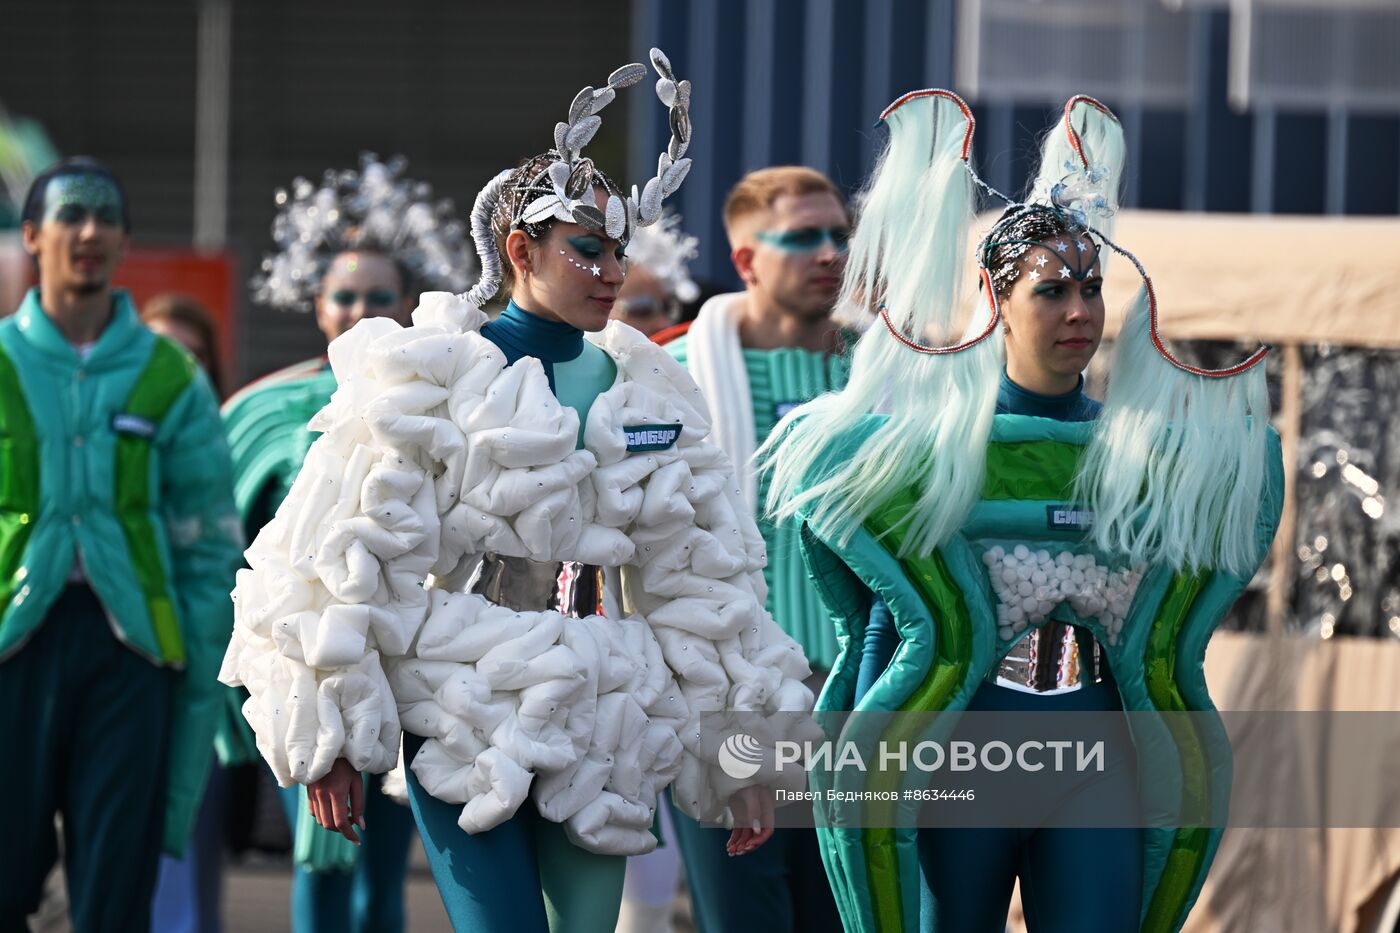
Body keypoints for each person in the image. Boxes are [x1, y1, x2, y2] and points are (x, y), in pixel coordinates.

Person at [220, 49, 816, 933]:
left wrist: (743, 755)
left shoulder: (651, 386)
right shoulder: (427, 374)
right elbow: (343, 553)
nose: (613, 271)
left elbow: (707, 580)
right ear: (518, 249)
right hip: (461, 694)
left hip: (613, 704)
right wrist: (328, 733)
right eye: (587, 249)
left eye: (620, 249)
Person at [759, 92, 1283, 933]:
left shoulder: (1141, 456)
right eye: (1051, 291)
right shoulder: (921, 449)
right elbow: (865, 597)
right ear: (995, 298)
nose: (1079, 312)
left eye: (1091, 288)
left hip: (1093, 749)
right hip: (964, 750)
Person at [221, 153, 477, 933]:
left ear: (406, 303)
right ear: (319, 305)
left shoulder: (448, 406)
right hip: (307, 662)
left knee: (382, 878)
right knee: (317, 864)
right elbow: (230, 549)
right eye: (345, 295)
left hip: (407, 665)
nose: (360, 307)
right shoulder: (266, 411)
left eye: (378, 295)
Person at [0, 157, 242, 931]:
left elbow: (209, 552)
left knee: (115, 892)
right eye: (72, 215)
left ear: (126, 238)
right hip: (13, 651)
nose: (91, 231)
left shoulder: (170, 374)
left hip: (134, 657)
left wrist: (207, 676)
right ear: (32, 235)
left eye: (108, 216)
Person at [656, 165, 851, 933]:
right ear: (746, 260)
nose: (830, 252)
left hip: (861, 702)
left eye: (839, 234)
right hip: (731, 701)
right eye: (803, 236)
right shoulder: (676, 381)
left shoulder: (895, 383)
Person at [141, 293, 234, 932]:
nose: (181, 368)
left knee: (191, 847)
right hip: (128, 664)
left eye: (194, 354)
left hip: (210, 674)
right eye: (163, 353)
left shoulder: (240, 438)